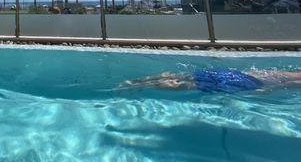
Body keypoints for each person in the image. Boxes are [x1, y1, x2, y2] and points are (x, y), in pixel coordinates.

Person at [121, 69, 301, 93]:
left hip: (234, 74)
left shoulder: (284, 72)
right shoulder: (296, 80)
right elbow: (280, 87)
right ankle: (140, 85)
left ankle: (135, 81)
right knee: (187, 84)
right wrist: (260, 93)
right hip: (243, 83)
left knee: (185, 76)